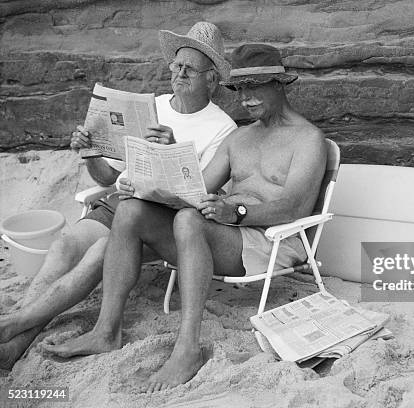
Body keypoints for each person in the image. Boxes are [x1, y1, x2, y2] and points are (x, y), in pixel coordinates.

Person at [42, 44, 327, 393]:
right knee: (131, 211)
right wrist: (164, 159)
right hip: (222, 233)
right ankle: (106, 330)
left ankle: (188, 347)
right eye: (241, 88)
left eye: (256, 85)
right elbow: (196, 189)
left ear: (279, 84)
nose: (247, 97)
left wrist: (237, 212)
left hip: (268, 241)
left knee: (189, 220)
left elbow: (295, 207)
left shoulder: (308, 138)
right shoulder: (240, 137)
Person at [0, 21, 236, 370]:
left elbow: (201, 196)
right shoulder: (151, 106)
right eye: (176, 65)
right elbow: (108, 176)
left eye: (190, 68)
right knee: (66, 244)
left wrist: (170, 152)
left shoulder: (222, 128)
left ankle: (15, 330)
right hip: (121, 200)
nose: (179, 72)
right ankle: (20, 330)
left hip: (160, 217)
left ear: (211, 80)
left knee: (99, 252)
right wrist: (91, 152)